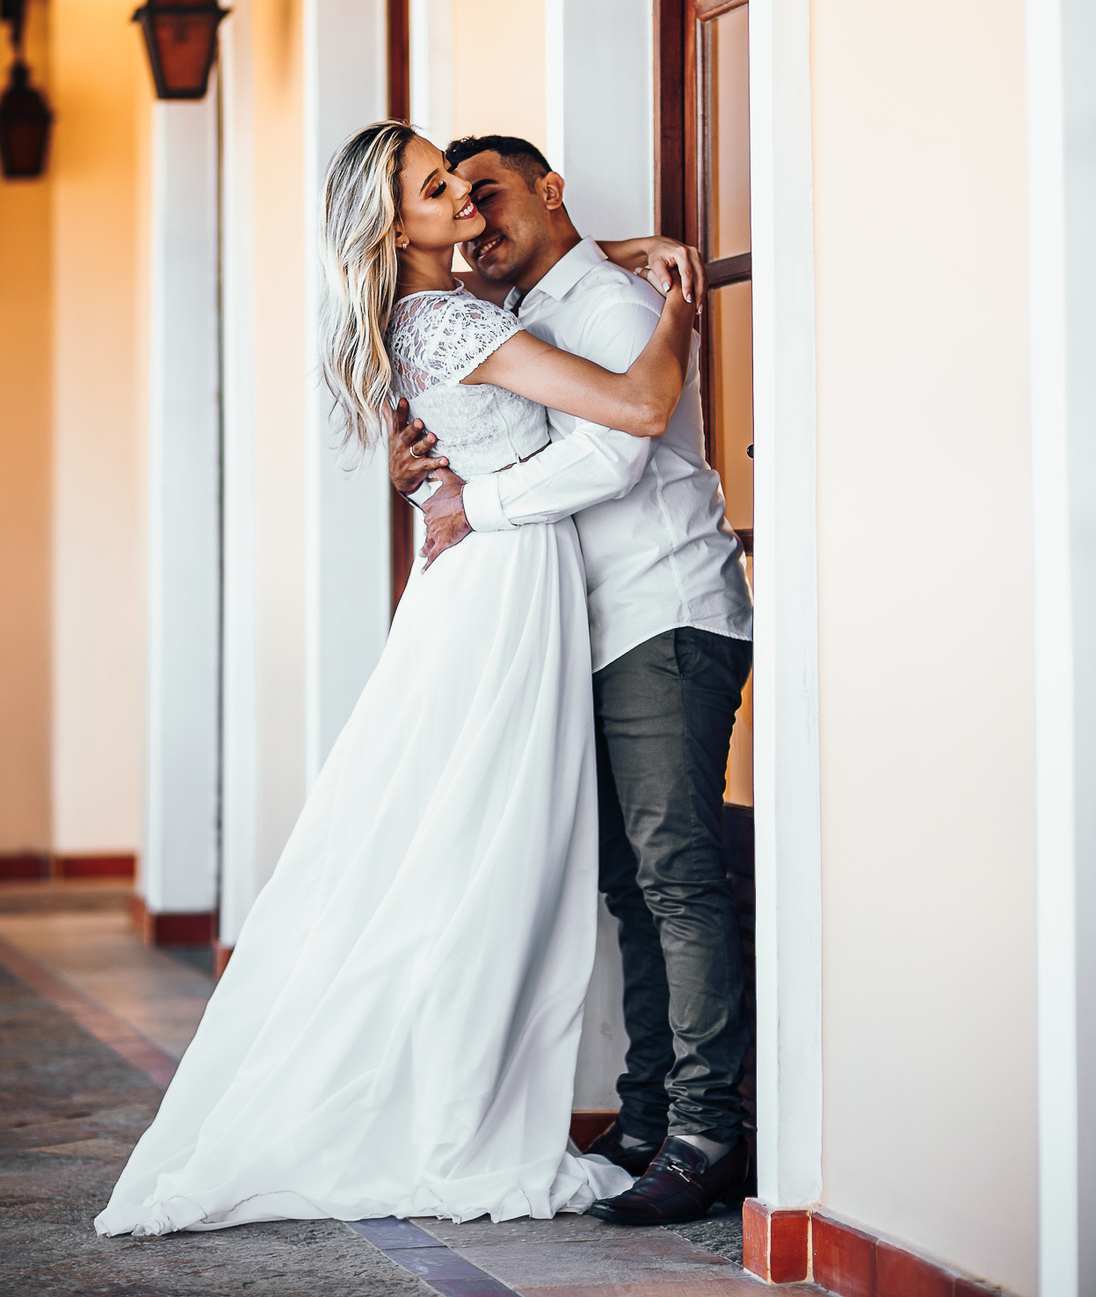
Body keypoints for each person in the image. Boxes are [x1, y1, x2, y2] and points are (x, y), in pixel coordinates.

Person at [94, 120, 700, 1238]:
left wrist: (611, 251)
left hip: (495, 582)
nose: (465, 201)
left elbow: (490, 369)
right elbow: (634, 410)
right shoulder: (452, 316)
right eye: (438, 190)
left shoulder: (416, 316)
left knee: (470, 846)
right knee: (491, 858)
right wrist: (679, 303)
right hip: (506, 589)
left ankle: (453, 1094)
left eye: (465, 184)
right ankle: (454, 1116)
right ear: (398, 225)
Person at [388, 134, 754, 1226]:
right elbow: (487, 436)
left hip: (662, 614)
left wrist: (469, 510)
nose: (475, 216)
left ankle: (704, 1134)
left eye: (490, 194)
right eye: (455, 195)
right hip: (578, 632)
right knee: (632, 886)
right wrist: (429, 481)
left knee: (675, 875)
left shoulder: (612, 310)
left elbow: (613, 454)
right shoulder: (518, 318)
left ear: (551, 193)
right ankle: (645, 1118)